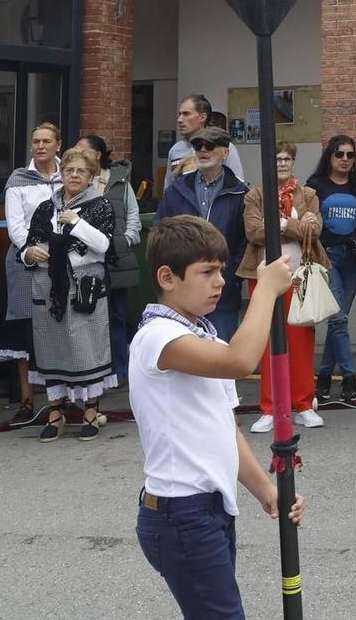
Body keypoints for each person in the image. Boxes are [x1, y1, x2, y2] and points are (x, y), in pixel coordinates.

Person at [131, 215, 303, 619]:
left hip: (209, 510)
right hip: (179, 513)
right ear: (167, 278)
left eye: (221, 270)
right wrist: (265, 292)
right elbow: (242, 360)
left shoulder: (204, 336)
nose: (220, 281)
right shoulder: (157, 336)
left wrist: (267, 490)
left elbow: (225, 426)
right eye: (206, 272)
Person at [22, 146, 116, 440]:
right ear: (61, 174)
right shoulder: (46, 208)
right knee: (52, 347)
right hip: (48, 286)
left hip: (83, 285)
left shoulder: (100, 205)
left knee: (86, 346)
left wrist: (76, 222)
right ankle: (55, 411)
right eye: (69, 170)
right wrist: (29, 254)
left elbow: (102, 246)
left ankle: (90, 409)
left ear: (92, 177)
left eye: (81, 171)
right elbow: (28, 244)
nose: (74, 175)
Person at [238, 142, 325, 433]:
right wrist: (296, 224)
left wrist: (282, 222)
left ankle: (303, 403)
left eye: (287, 158)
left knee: (300, 339)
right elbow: (255, 232)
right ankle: (270, 408)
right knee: (267, 341)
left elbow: (316, 230)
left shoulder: (309, 194)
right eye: (276, 159)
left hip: (300, 275)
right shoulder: (256, 196)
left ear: (293, 162)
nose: (282, 164)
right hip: (263, 276)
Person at [0, 123, 62, 422]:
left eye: (46, 141)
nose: (40, 146)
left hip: (61, 257)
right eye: (35, 141)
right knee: (25, 330)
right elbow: (15, 225)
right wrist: (28, 248)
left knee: (60, 327)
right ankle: (27, 400)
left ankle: (62, 399)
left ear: (59, 144)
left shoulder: (68, 175)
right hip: (24, 260)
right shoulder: (18, 179)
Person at [156, 127, 249, 340]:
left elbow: (246, 240)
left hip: (222, 287)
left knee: (221, 354)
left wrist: (231, 274)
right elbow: (160, 231)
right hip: (182, 285)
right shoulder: (176, 190)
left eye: (210, 146)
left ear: (225, 153)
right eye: (198, 146)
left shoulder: (240, 193)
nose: (203, 150)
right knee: (183, 354)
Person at [306, 134, 356, 403]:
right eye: (340, 154)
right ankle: (349, 377)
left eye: (350, 155)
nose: (345, 159)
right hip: (327, 256)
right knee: (337, 319)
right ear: (330, 157)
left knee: (339, 320)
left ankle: (324, 376)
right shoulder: (316, 185)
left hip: (354, 257)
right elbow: (308, 219)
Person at [73, 134, 140, 387]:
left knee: (117, 316)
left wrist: (124, 240)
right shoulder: (77, 179)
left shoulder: (119, 181)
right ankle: (93, 372)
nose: (78, 154)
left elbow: (133, 215)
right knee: (88, 316)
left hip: (116, 258)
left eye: (83, 150)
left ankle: (120, 372)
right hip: (86, 260)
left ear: (98, 154)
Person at [166, 93, 244, 190]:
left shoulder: (223, 146)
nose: (179, 120)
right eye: (180, 114)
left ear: (202, 117)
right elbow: (168, 188)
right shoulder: (175, 150)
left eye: (186, 114)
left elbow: (238, 186)